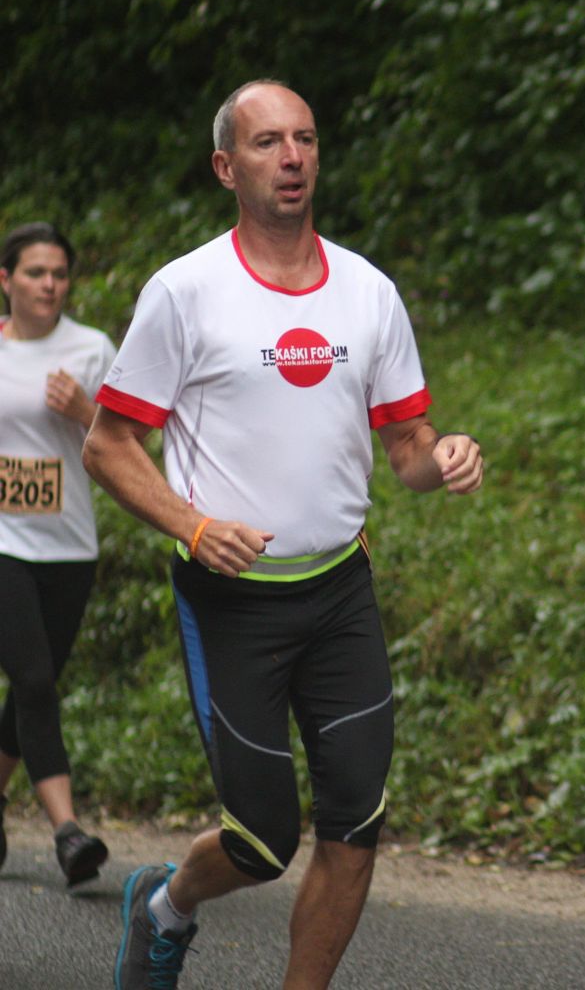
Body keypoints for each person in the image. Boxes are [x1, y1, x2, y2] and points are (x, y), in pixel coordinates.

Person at [82, 79, 484, 989]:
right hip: (231, 605)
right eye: (267, 143)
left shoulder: (367, 292)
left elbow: (408, 446)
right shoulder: (185, 293)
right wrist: (193, 524)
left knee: (355, 820)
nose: (291, 157)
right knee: (262, 841)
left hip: (340, 593)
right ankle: (165, 904)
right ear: (227, 167)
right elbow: (108, 445)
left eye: (303, 138)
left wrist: (446, 456)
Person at [0, 221, 115, 887]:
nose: (50, 285)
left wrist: (85, 408)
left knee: (28, 691)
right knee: (36, 680)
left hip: (69, 547)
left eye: (60, 274)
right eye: (37, 273)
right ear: (6, 280)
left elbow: (130, 439)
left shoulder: (93, 350)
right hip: (4, 544)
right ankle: (67, 832)